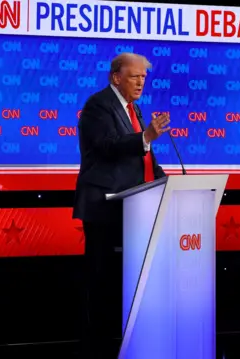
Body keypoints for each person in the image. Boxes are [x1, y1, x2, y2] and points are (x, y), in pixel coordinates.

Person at [73, 52, 170, 358]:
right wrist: (146, 136)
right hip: (106, 209)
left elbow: (143, 157)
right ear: (116, 77)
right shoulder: (98, 105)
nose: (141, 82)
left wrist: (168, 182)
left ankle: (124, 341)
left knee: (125, 282)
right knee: (102, 282)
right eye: (134, 76)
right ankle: (97, 347)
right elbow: (107, 145)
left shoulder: (134, 109)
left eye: (144, 77)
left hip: (134, 210)